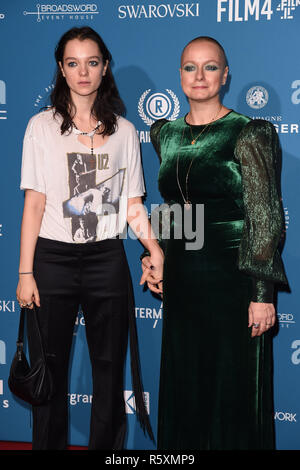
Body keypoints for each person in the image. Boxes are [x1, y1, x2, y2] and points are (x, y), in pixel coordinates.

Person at [16, 26, 163, 450]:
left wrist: (154, 249)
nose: (83, 71)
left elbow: (133, 204)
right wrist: (26, 272)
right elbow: (35, 204)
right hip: (53, 261)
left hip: (106, 259)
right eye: (73, 62)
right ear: (61, 70)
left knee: (108, 369)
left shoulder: (124, 132)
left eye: (92, 62)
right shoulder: (41, 127)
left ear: (104, 68)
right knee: (50, 373)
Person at [141, 36, 288, 450]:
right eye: (190, 67)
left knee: (233, 387)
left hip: (232, 277)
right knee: (186, 383)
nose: (199, 76)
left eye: (210, 67)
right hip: (184, 281)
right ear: (180, 75)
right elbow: (176, 206)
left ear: (225, 75)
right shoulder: (164, 134)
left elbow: (265, 216)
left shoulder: (248, 131)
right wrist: (155, 257)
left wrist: (261, 291)